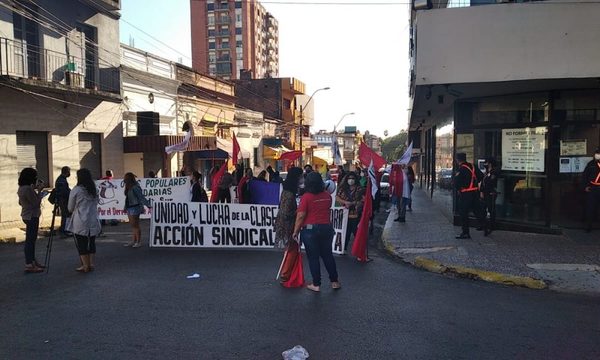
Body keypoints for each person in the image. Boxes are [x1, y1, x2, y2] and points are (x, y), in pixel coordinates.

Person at [293, 172, 341, 292]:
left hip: (310, 229)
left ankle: (316, 284)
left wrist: (295, 231)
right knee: (328, 255)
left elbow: (300, 216)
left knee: (313, 258)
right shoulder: (327, 196)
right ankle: (334, 281)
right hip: (326, 228)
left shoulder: (306, 197)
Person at [68, 168, 101, 273]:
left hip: (80, 220)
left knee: (81, 243)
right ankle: (91, 264)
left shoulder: (76, 190)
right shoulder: (94, 189)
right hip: (93, 219)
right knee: (91, 242)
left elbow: (70, 207)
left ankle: (85, 265)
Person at [274, 167, 303, 282]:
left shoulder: (287, 191)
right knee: (292, 249)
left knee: (291, 248)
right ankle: (285, 274)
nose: (301, 179)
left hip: (285, 223)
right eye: (300, 176)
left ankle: (287, 273)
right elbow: (286, 212)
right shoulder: (289, 194)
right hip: (287, 225)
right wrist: (298, 211)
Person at [17, 168, 46, 273]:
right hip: (31, 216)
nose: (36, 178)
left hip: (26, 215)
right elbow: (36, 203)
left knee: (31, 240)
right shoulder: (28, 189)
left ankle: (33, 261)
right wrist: (40, 191)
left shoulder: (21, 188)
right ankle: (29, 264)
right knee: (30, 241)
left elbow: (20, 203)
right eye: (35, 176)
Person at [454, 153, 487, 239]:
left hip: (465, 194)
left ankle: (465, 232)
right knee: (477, 210)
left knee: (463, 213)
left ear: (457, 160)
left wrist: (460, 189)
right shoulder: (473, 166)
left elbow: (456, 182)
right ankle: (485, 226)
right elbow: (481, 176)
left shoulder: (461, 169)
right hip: (475, 193)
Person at [336, 173, 364, 252]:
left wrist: (353, 203)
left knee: (357, 233)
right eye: (349, 178)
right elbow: (337, 198)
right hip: (344, 215)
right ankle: (343, 248)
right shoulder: (342, 189)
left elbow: (362, 200)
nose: (351, 180)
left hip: (356, 215)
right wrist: (345, 202)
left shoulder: (359, 189)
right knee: (346, 233)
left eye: (352, 178)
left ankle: (359, 250)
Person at [123, 172, 152, 248]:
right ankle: (134, 241)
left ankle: (138, 241)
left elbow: (141, 197)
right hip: (130, 207)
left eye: (125, 178)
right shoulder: (129, 186)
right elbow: (128, 198)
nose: (124, 179)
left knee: (135, 225)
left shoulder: (135, 187)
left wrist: (148, 205)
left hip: (135, 207)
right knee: (133, 225)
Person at [582, 148, 600, 232]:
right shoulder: (591, 164)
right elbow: (585, 176)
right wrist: (586, 186)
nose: (597, 155)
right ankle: (588, 226)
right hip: (592, 187)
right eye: (596, 153)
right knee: (590, 207)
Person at [480, 158, 499, 234]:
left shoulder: (494, 172)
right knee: (483, 209)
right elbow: (483, 181)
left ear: (490, 163)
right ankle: (483, 225)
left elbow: (490, 182)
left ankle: (491, 225)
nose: (485, 164)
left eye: (486, 163)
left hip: (490, 193)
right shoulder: (487, 171)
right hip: (485, 192)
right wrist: (481, 191)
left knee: (491, 209)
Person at [55, 166, 71, 237]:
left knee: (65, 215)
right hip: (63, 200)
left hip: (64, 200)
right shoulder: (61, 180)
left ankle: (64, 230)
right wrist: (69, 193)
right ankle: (63, 231)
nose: (69, 173)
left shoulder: (62, 179)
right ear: (66, 172)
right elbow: (63, 191)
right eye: (69, 171)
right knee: (64, 215)